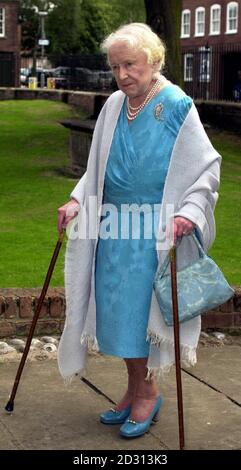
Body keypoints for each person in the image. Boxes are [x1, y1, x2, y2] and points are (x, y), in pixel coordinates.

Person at [57, 23, 221, 439]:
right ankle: (133, 390)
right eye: (115, 67)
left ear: (153, 59)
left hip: (155, 233)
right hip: (113, 229)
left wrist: (190, 211)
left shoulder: (177, 105)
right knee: (115, 314)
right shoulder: (113, 104)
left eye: (130, 64)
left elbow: (206, 168)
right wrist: (78, 199)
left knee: (141, 316)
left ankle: (148, 392)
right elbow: (98, 166)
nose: (123, 74)